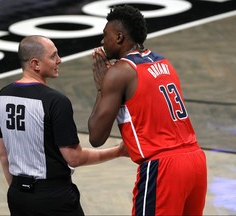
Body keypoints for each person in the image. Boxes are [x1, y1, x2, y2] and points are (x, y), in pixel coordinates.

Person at [88, 5, 207, 216]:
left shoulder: (120, 72)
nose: (102, 41)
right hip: (195, 160)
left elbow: (96, 137)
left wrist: (101, 87)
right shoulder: (164, 62)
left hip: (164, 167)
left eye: (105, 35)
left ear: (119, 37)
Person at [0, 35, 126, 216]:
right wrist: (118, 151)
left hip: (17, 196)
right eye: (53, 56)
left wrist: (19, 190)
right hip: (54, 198)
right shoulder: (56, 101)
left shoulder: (1, 97)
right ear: (35, 64)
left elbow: (2, 154)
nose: (59, 60)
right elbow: (74, 158)